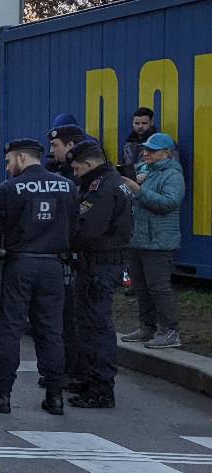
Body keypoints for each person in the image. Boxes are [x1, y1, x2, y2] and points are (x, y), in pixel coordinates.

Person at [0, 138, 75, 415]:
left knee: (8, 328)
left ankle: (1, 393)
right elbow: (75, 225)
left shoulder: (9, 189)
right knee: (51, 330)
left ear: (20, 158)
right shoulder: (67, 187)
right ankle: (55, 395)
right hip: (54, 265)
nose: (7, 168)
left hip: (18, 264)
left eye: (8, 162)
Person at [67, 142, 134, 409]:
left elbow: (88, 230)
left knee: (97, 327)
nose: (74, 173)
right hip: (104, 263)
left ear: (89, 164)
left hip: (99, 266)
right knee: (91, 325)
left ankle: (101, 388)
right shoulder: (114, 183)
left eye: (76, 168)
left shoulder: (102, 189)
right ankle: (90, 381)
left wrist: (65, 240)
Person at [120, 133, 185, 349]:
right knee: (141, 287)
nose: (146, 153)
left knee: (158, 287)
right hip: (138, 238)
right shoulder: (143, 171)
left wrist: (138, 190)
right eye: (146, 149)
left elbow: (168, 203)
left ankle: (169, 331)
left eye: (153, 150)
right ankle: (147, 327)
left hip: (159, 241)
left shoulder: (173, 175)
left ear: (167, 153)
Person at [121, 107, 159, 173]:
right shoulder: (128, 144)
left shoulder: (160, 143)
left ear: (152, 122)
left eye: (144, 123)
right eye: (137, 123)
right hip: (131, 180)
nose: (140, 126)